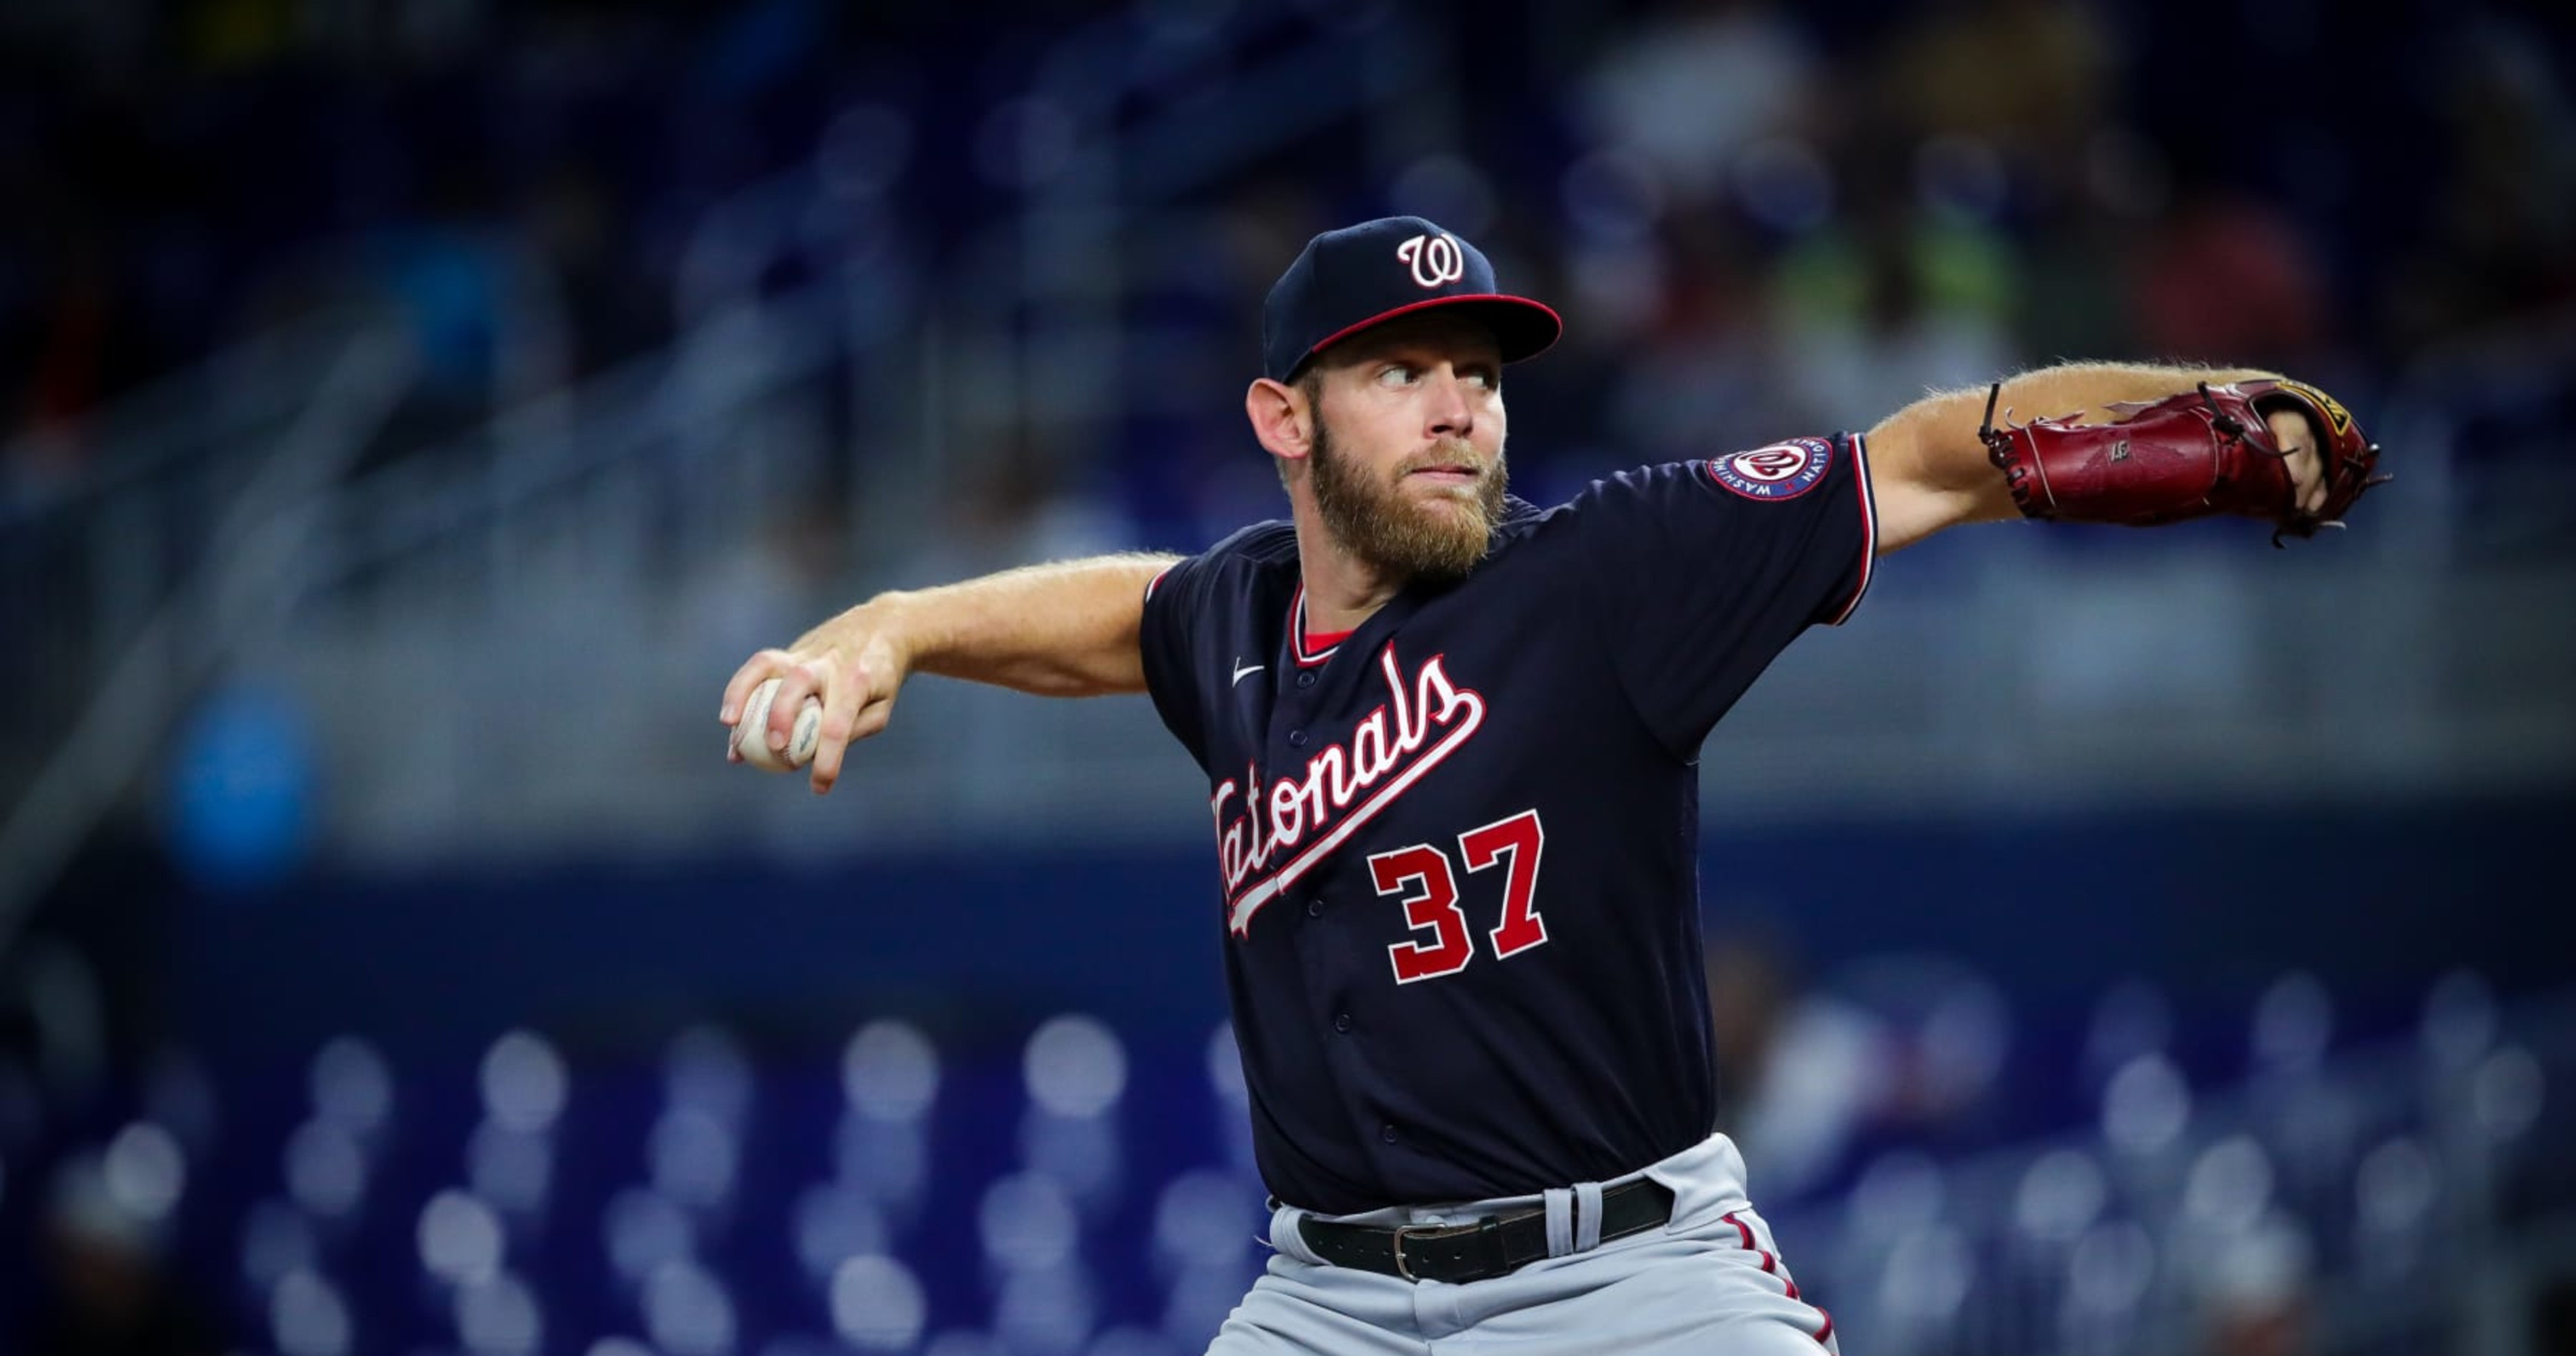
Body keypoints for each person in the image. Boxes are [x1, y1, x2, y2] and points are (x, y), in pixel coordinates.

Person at [719, 216, 2381, 1355]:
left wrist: (2184, 409)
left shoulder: (1610, 577)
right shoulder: (1235, 622)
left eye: (1483, 372)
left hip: (1629, 1278)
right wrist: (899, 626)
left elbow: (1933, 456)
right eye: (1401, 371)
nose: (1458, 408)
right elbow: (1112, 618)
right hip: (1328, 1304)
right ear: (1281, 419)